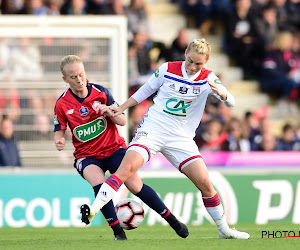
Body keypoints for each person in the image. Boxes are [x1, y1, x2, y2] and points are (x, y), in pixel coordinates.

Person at [82, 39, 250, 239]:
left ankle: (224, 230)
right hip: (153, 129)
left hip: (181, 138)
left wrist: (222, 94)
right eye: (190, 60)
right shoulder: (167, 69)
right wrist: (122, 108)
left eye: (198, 63)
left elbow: (231, 101)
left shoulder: (208, 78)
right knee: (126, 170)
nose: (193, 66)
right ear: (185, 52)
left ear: (206, 62)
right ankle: (93, 210)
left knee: (205, 183)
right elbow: (145, 90)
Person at [54, 55, 188, 241]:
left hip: (114, 149)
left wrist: (109, 112)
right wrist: (59, 140)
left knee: (135, 185)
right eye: (73, 77)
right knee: (99, 184)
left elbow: (123, 120)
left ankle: (173, 221)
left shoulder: (101, 92)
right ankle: (119, 233)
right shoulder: (62, 104)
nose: (79, 80)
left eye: (81, 74)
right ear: (65, 79)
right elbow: (58, 130)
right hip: (87, 156)